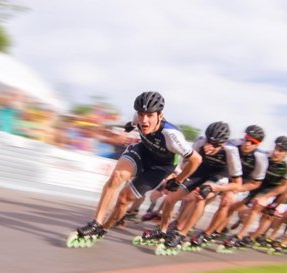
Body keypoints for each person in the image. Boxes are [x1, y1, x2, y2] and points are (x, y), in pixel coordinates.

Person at [66, 91, 202, 247]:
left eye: (150, 115)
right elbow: (131, 124)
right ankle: (96, 222)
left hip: (160, 167)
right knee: (117, 176)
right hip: (142, 152)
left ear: (160, 115)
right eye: (141, 114)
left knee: (124, 199)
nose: (144, 120)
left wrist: (179, 180)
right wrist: (127, 129)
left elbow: (196, 160)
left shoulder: (172, 135)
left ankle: (104, 228)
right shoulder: (137, 119)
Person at [152, 121, 244, 255]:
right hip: (201, 170)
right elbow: (186, 164)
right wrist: (178, 179)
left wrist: (215, 188)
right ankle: (163, 230)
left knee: (202, 195)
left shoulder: (231, 151)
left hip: (218, 176)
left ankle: (181, 235)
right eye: (209, 141)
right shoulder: (200, 142)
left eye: (215, 145)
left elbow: (237, 184)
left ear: (223, 143)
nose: (209, 147)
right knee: (170, 198)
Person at [186, 125, 268, 250]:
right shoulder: (233, 144)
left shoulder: (260, 158)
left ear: (258, 144)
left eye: (253, 142)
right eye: (246, 139)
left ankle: (208, 233)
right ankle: (186, 224)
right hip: (223, 176)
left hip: (241, 184)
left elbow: (255, 183)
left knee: (226, 202)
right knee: (201, 194)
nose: (247, 143)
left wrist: (232, 189)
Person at [217, 135, 287, 252]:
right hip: (259, 184)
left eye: (280, 151)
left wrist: (271, 201)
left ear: (286, 153)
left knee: (259, 206)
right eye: (276, 148)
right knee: (233, 205)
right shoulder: (265, 156)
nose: (276, 152)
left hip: (273, 189)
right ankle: (219, 229)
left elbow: (284, 187)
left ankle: (242, 237)